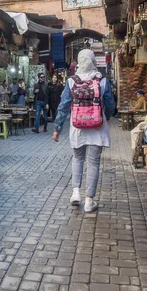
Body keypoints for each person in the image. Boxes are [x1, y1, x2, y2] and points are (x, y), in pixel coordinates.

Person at [52, 49, 115, 212]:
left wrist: (57, 128)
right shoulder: (102, 80)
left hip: (77, 127)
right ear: (93, 61)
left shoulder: (72, 81)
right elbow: (110, 104)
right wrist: (105, 117)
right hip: (97, 127)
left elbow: (64, 105)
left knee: (77, 159)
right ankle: (89, 201)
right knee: (93, 162)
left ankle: (75, 194)